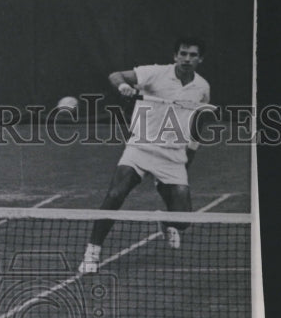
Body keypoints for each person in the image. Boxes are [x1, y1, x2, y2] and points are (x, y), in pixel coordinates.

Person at [78, 37, 211, 274]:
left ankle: (166, 220)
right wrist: (123, 87)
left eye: (192, 55)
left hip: (173, 155)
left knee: (183, 221)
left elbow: (198, 121)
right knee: (115, 194)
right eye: (183, 53)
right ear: (175, 56)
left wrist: (191, 150)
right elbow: (115, 75)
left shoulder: (202, 88)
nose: (187, 59)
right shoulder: (154, 74)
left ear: (200, 59)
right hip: (140, 147)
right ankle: (92, 251)